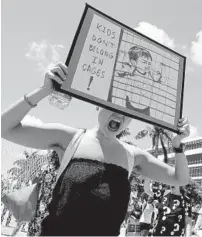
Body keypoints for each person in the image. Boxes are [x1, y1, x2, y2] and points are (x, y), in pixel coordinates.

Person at [1, 62, 191, 236]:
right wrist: (43, 90)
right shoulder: (71, 138)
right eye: (113, 106)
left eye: (127, 111)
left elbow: (180, 178)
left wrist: (178, 146)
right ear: (97, 106)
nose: (119, 114)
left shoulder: (134, 156)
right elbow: (5, 128)